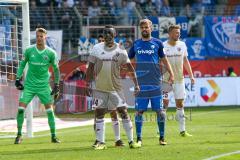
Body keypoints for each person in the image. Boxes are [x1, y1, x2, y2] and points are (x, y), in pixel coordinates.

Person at [85, 25, 141, 150]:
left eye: (110, 33)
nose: (107, 35)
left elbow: (130, 68)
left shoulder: (120, 50)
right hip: (100, 88)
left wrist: (136, 84)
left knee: (123, 112)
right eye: (105, 33)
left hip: (117, 88)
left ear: (115, 35)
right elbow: (90, 68)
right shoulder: (96, 48)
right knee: (99, 114)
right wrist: (87, 84)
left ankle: (131, 141)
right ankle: (101, 142)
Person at [128, 19, 174, 146]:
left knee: (160, 111)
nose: (144, 29)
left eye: (146, 27)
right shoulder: (136, 44)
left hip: (155, 83)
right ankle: (139, 139)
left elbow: (164, 60)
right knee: (139, 111)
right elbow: (128, 61)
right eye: (142, 27)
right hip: (141, 84)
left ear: (151, 28)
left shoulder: (158, 43)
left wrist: (172, 73)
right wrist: (132, 75)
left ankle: (162, 137)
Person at [14, 27, 60, 144]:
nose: (39, 38)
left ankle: (53, 136)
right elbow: (22, 64)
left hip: (44, 86)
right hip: (29, 85)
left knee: (50, 111)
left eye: (41, 36)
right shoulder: (29, 50)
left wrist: (57, 84)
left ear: (45, 37)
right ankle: (19, 135)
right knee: (20, 109)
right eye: (37, 36)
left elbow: (56, 70)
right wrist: (18, 79)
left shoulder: (51, 53)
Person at [92, 34, 125, 147]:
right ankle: (98, 140)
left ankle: (118, 139)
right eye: (101, 40)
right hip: (100, 88)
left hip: (113, 87)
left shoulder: (115, 51)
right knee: (97, 114)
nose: (103, 41)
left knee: (114, 112)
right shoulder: (96, 51)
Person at [162, 24, 195, 137]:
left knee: (180, 104)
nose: (178, 34)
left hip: (179, 79)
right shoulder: (163, 46)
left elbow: (185, 61)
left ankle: (182, 131)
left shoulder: (182, 45)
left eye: (179, 33)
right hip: (165, 80)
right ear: (170, 34)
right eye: (176, 32)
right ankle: (160, 131)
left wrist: (191, 76)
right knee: (164, 104)